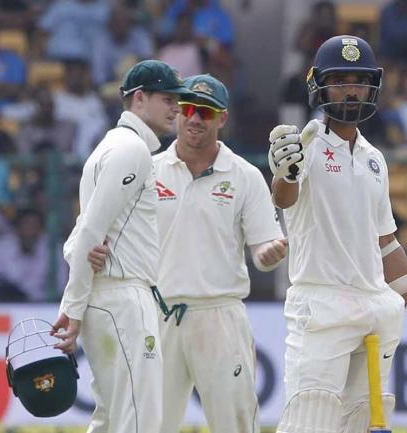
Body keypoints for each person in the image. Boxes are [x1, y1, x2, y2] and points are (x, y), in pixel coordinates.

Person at [268, 35, 407, 433]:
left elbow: (385, 243)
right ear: (319, 86)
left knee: (362, 423)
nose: (351, 90)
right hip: (321, 306)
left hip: (376, 307)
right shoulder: (305, 144)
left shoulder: (374, 158)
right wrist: (285, 173)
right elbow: (284, 198)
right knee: (310, 419)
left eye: (359, 81)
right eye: (340, 81)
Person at [88, 73, 287, 433]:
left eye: (206, 112)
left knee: (236, 425)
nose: (195, 118)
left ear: (222, 119)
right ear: (178, 112)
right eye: (188, 108)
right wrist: (100, 252)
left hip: (219, 314)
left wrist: (267, 255)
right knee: (149, 425)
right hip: (157, 313)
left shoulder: (244, 176)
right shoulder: (148, 169)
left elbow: (263, 245)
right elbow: (112, 231)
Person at [50, 59, 191, 433]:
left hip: (111, 297)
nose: (176, 109)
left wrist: (75, 280)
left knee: (111, 418)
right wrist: (72, 307)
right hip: (122, 299)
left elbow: (82, 233)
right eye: (167, 99)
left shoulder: (112, 146)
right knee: (139, 417)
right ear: (139, 98)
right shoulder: (131, 150)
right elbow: (91, 229)